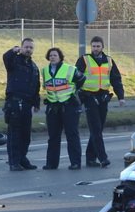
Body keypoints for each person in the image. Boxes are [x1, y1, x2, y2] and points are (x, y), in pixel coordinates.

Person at [75, 36, 126, 168]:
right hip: (89, 97)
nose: (95, 49)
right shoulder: (84, 60)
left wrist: (121, 97)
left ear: (102, 47)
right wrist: (77, 97)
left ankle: (90, 158)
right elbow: (75, 78)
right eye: (93, 46)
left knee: (98, 128)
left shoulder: (109, 60)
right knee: (96, 128)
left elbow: (116, 79)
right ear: (90, 47)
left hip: (103, 97)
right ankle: (103, 158)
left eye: (98, 46)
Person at [41, 47, 86, 170]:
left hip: (69, 105)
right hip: (53, 106)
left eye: (55, 55)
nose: (52, 57)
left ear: (60, 57)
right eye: (50, 55)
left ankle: (75, 163)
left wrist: (74, 92)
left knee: (72, 134)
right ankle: (51, 163)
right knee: (53, 136)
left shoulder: (69, 69)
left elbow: (82, 79)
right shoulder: (44, 70)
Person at [2, 38, 40, 171]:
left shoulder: (33, 66)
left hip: (27, 104)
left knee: (25, 134)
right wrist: (13, 51)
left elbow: (36, 85)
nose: (28, 50)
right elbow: (5, 58)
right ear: (21, 47)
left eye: (31, 47)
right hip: (14, 102)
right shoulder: (14, 61)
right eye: (26, 47)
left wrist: (36, 103)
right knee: (14, 134)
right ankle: (14, 162)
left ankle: (22, 158)